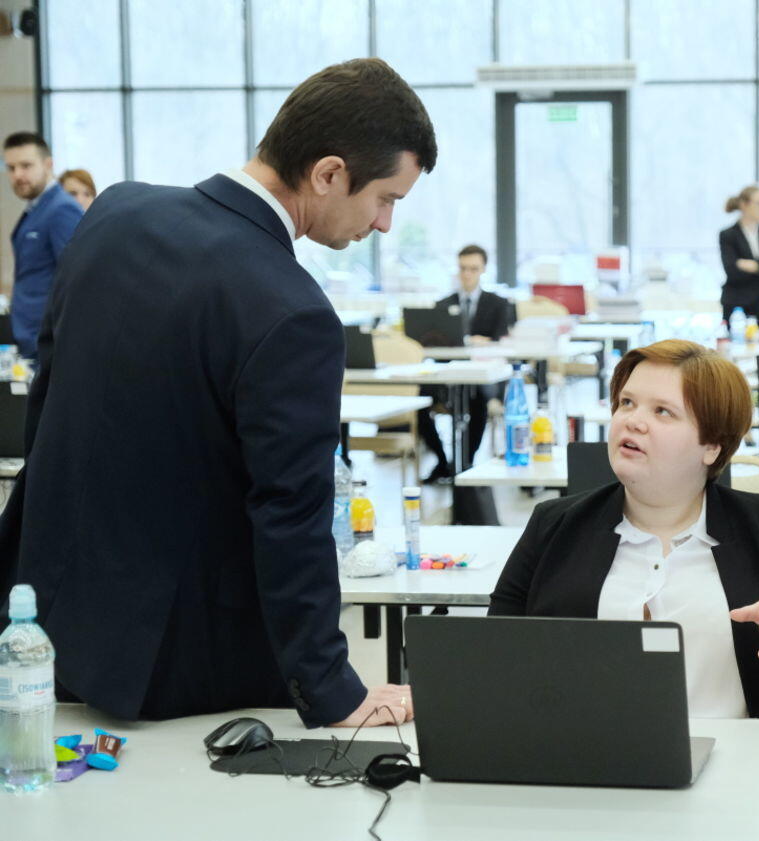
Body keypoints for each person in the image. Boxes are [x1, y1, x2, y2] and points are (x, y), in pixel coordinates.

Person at [0, 59, 438, 729]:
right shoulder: (293, 310)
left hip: (50, 619)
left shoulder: (116, 211)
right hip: (179, 662)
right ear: (328, 173)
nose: (383, 223)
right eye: (387, 198)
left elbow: (51, 395)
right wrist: (334, 691)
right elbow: (291, 513)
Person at [490, 339, 759, 719]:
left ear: (712, 447)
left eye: (663, 411)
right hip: (585, 752)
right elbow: (493, 662)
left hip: (738, 754)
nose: (633, 421)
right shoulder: (554, 526)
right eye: (627, 403)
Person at [418, 243, 515, 482]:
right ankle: (443, 462)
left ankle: (466, 463)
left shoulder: (499, 304)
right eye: (463, 268)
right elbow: (434, 342)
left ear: (483, 269)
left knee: (478, 402)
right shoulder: (443, 304)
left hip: (482, 375)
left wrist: (478, 342)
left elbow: (500, 339)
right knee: (419, 401)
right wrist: (472, 340)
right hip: (447, 375)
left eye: (473, 269)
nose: (467, 274)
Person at [4, 132, 84, 363]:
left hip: (52, 344)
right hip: (31, 340)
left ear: (48, 164)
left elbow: (76, 279)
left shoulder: (62, 209)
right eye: (11, 168)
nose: (17, 175)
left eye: (26, 165)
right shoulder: (36, 209)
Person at [719, 185, 759, 327]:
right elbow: (732, 271)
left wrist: (754, 266)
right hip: (737, 306)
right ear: (744, 205)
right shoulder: (728, 235)